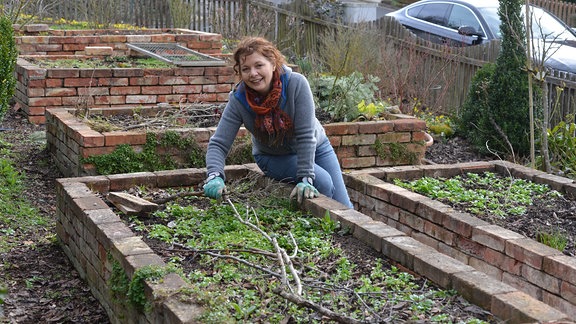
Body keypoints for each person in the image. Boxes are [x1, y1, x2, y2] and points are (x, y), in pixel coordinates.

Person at [203, 36, 353, 208]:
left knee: (345, 205)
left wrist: (305, 178)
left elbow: (306, 135)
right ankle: (315, 229)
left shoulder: (296, 84)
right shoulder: (239, 99)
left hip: (317, 146)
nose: (253, 73)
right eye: (246, 69)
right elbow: (219, 143)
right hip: (273, 157)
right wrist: (214, 175)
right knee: (323, 182)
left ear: (273, 64)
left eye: (259, 65)